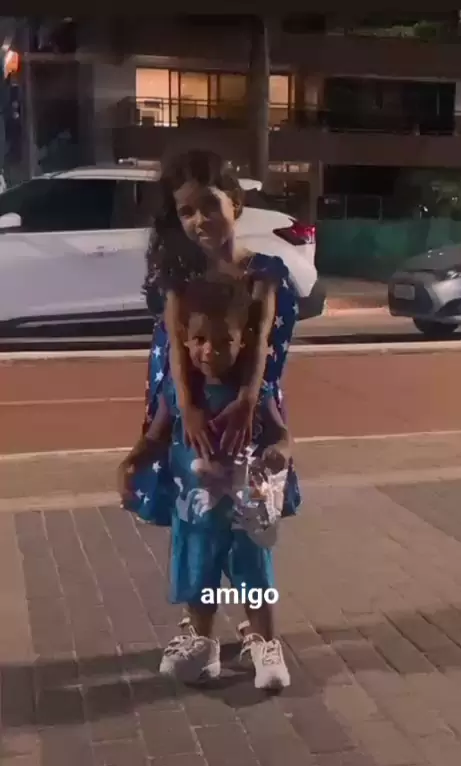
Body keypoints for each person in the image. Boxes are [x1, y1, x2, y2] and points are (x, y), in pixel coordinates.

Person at [119, 278, 292, 689]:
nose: (209, 351)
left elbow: (282, 437)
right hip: (195, 515)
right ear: (184, 338)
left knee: (255, 579)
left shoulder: (255, 392)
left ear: (243, 339)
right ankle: (202, 642)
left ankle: (265, 643)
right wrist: (130, 465)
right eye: (199, 340)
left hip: (246, 515)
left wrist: (278, 454)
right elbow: (156, 437)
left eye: (223, 341)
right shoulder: (179, 395)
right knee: (199, 579)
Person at [125, 148, 300, 528]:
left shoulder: (263, 273)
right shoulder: (180, 277)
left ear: (235, 201)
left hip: (245, 409)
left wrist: (248, 401)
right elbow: (175, 346)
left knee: (248, 518)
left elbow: (264, 341)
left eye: (209, 205)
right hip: (194, 411)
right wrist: (188, 407)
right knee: (194, 511)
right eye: (186, 212)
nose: (200, 220)